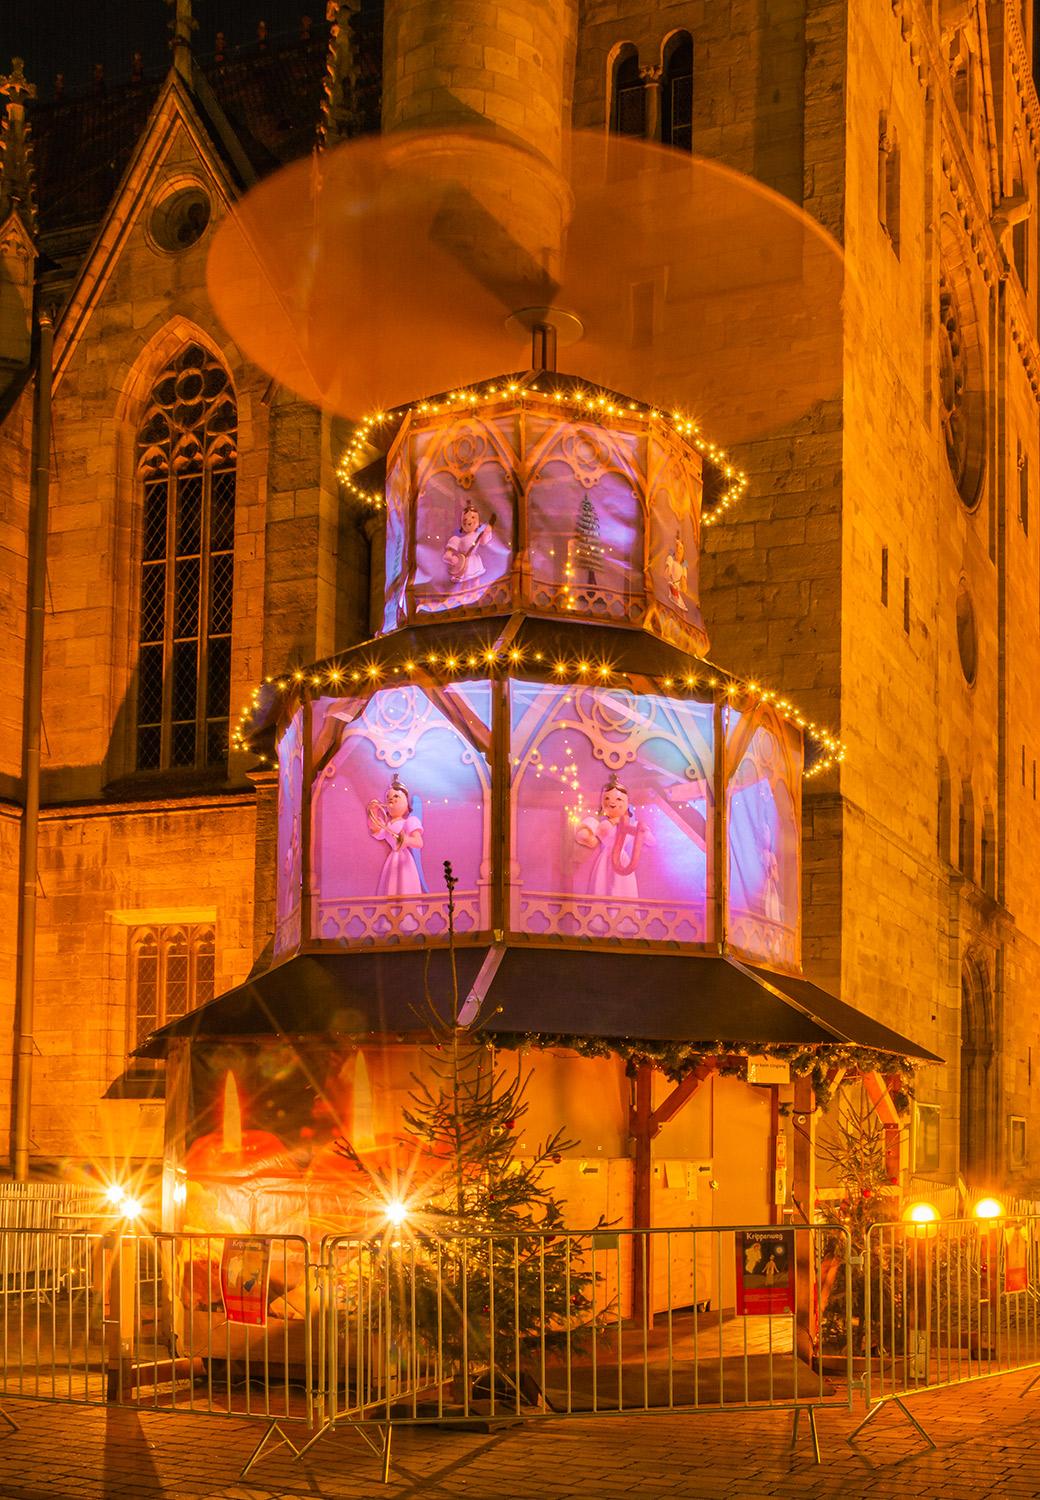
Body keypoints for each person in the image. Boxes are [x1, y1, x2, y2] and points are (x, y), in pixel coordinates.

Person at [574, 772, 654, 900]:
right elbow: (596, 833)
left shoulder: (633, 824)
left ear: (627, 803)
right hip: (606, 861)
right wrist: (614, 821)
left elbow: (651, 841)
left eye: (618, 799)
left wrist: (644, 831)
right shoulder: (603, 824)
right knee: (603, 888)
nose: (612, 802)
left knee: (623, 891)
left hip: (623, 862)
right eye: (607, 798)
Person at [367, 774, 427, 896]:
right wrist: (372, 811)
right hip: (393, 861)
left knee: (405, 887)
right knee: (391, 887)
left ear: (406, 805)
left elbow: (419, 842)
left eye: (396, 796)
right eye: (388, 797)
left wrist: (406, 840)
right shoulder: (388, 825)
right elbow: (377, 830)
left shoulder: (409, 821)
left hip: (405, 862)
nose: (391, 799)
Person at [443, 502, 495, 601]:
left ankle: (475, 597)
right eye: (465, 519)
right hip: (463, 562)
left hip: (474, 561)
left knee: (475, 580)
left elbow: (484, 541)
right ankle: (463, 597)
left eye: (472, 518)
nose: (468, 521)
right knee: (465, 581)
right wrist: (451, 558)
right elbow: (447, 555)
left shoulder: (477, 535)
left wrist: (488, 531)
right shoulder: (458, 540)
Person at [664, 533, 688, 612]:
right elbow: (667, 574)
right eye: (677, 548)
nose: (679, 550)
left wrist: (683, 590)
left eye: (681, 548)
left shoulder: (684, 563)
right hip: (670, 585)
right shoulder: (670, 558)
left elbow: (684, 578)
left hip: (678, 588)